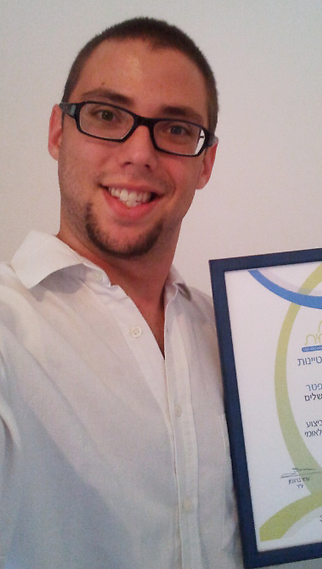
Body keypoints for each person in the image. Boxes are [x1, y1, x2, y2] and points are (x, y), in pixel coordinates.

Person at [0, 17, 243, 568]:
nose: (138, 153)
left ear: (205, 162)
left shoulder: (234, 339)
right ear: (58, 133)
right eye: (107, 115)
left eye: (176, 128)